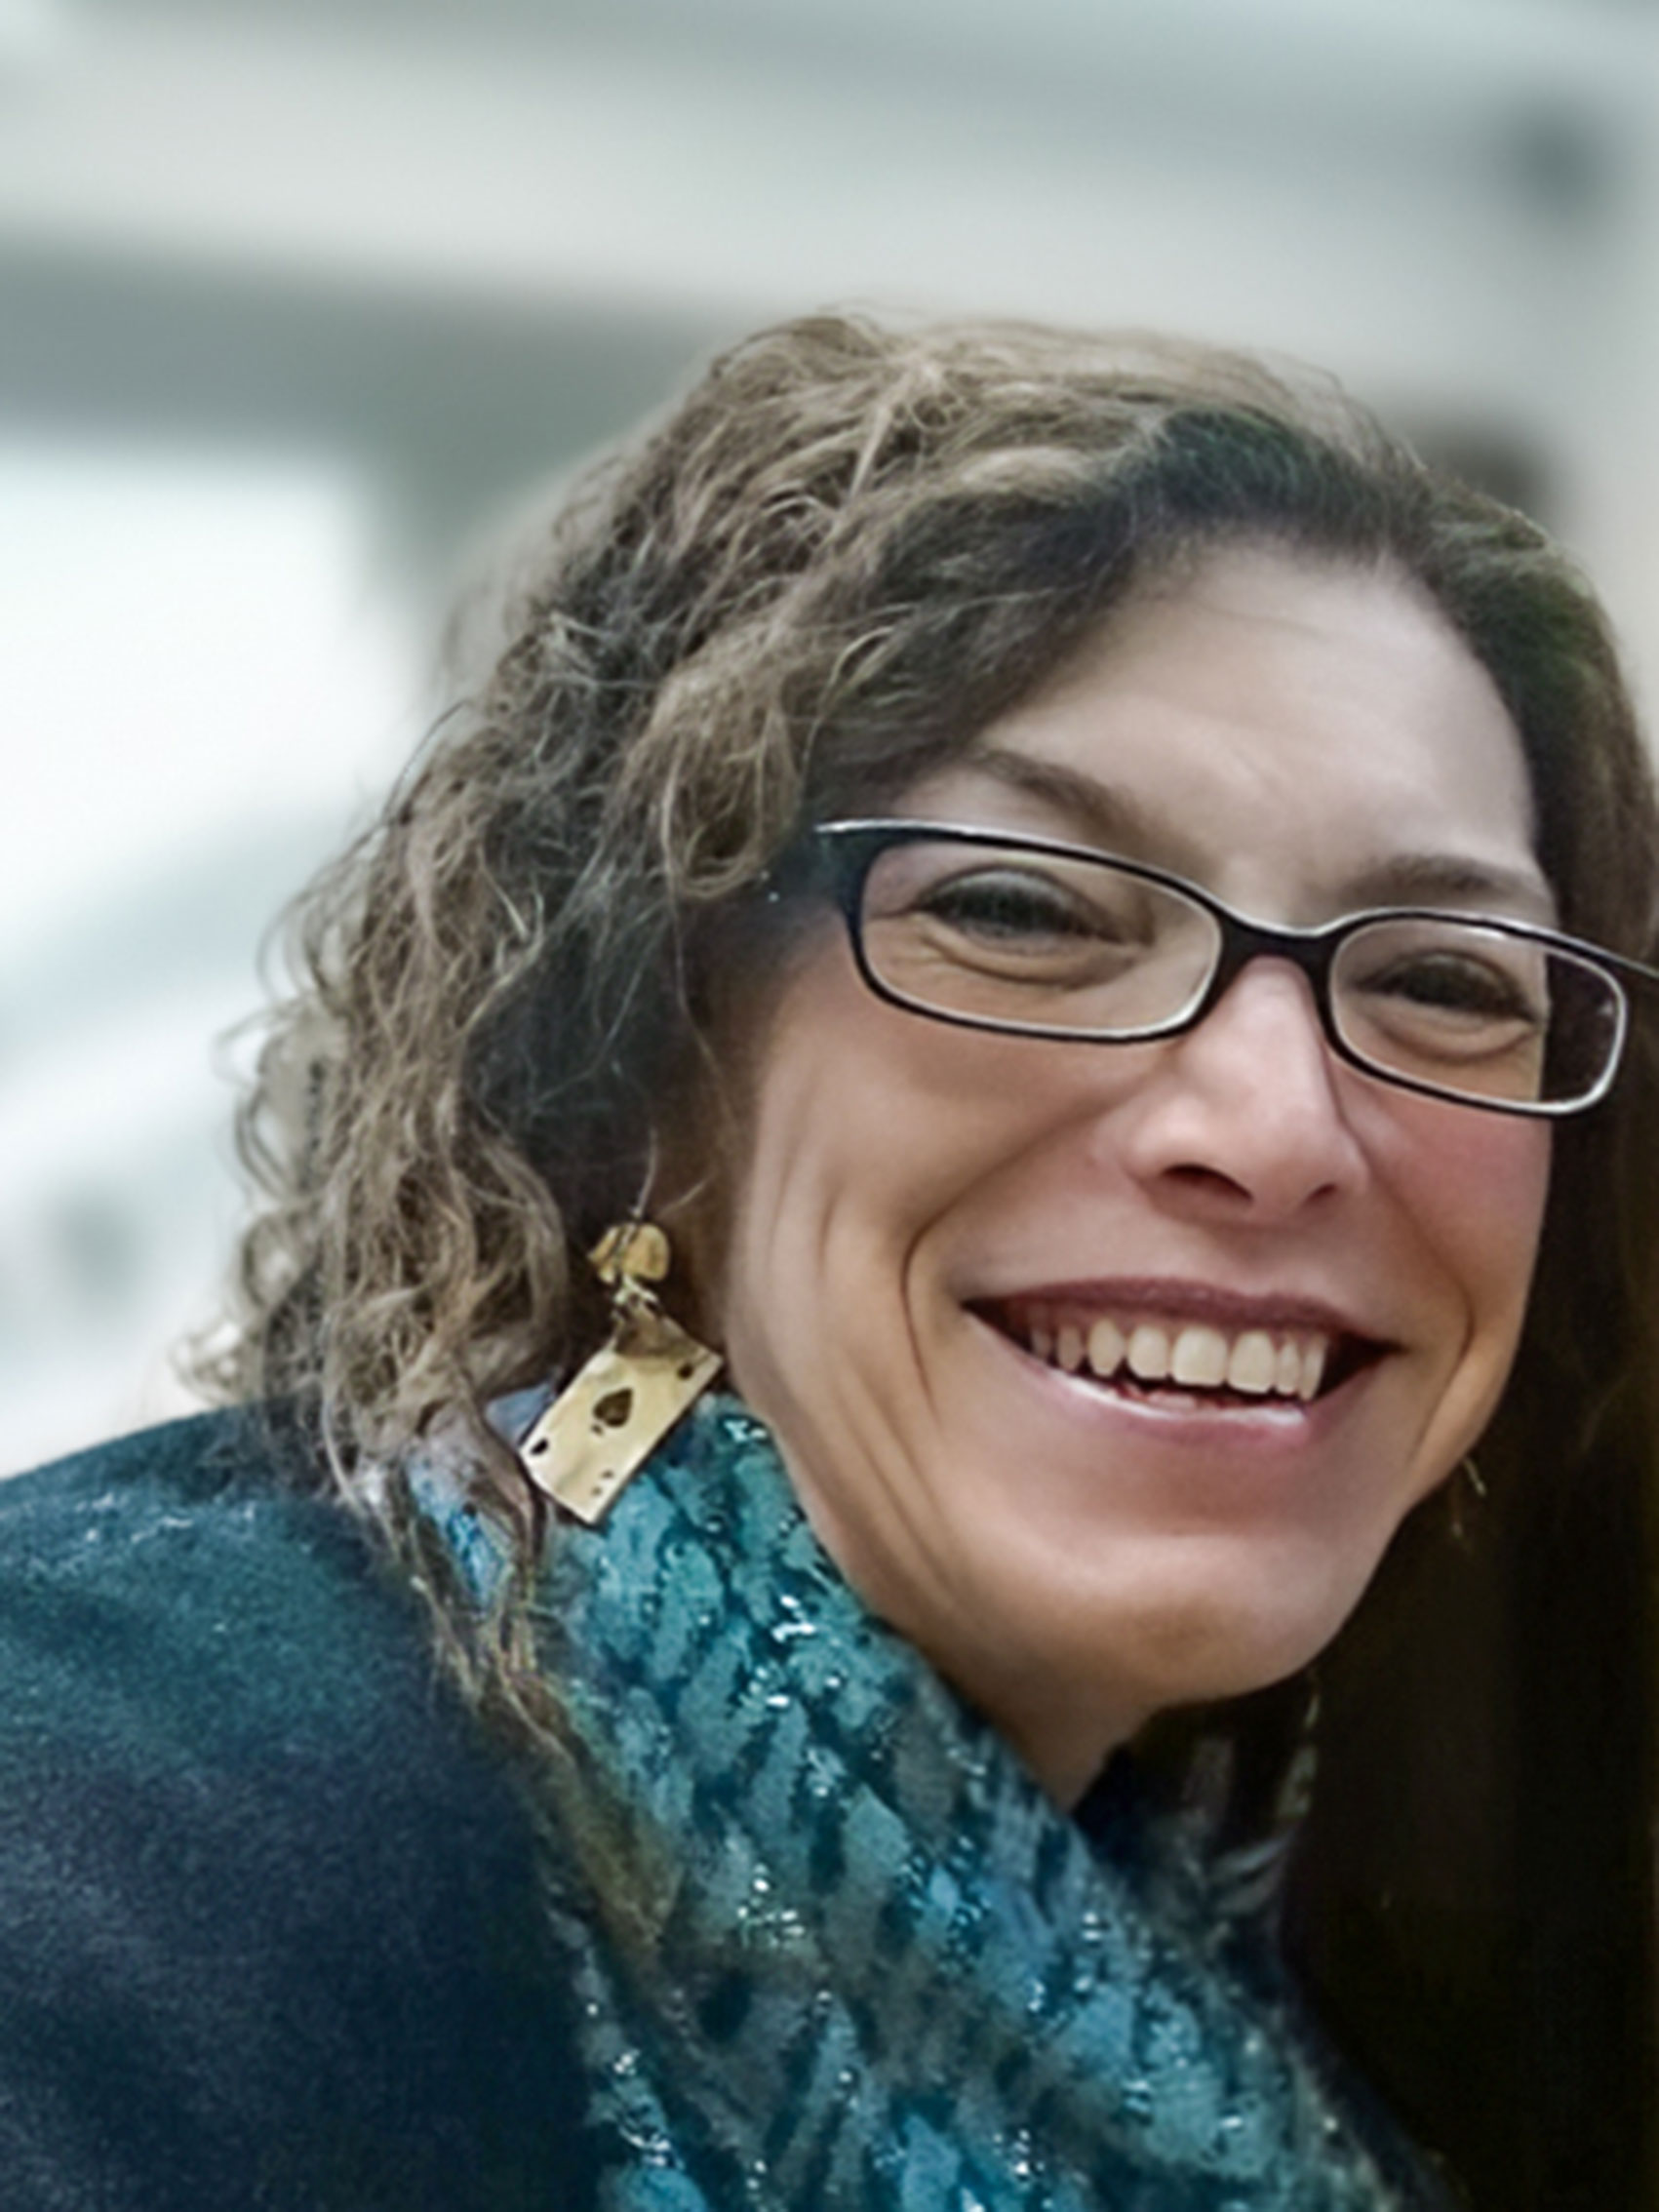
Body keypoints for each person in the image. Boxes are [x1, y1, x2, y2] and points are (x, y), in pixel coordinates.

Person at [2, 315, 1656, 2211]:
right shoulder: (98, 1832)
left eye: (1443, 980)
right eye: (1020, 910)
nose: (1276, 1125)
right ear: (643, 1046)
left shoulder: (1357, 1967)